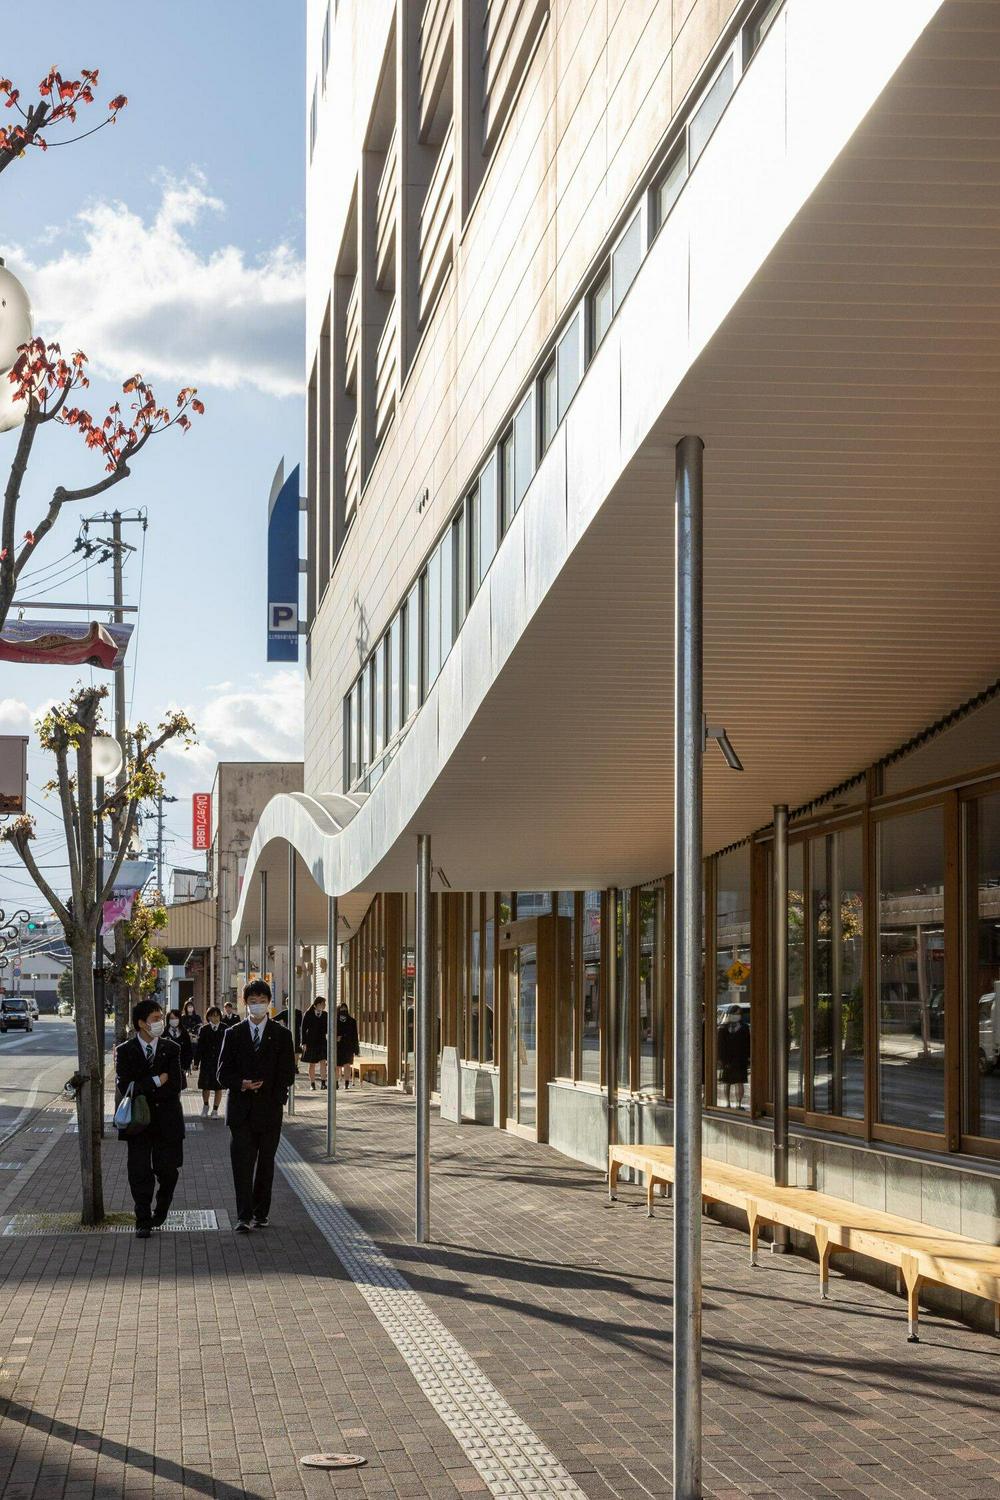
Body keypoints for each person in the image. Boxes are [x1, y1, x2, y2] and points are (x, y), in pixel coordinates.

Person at [217, 978, 297, 1233]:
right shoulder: (233, 1034)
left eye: (262, 1002)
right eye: (253, 1002)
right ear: (245, 1004)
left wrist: (277, 1096)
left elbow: (288, 1073)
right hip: (241, 1111)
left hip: (270, 1111)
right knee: (242, 1164)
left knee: (265, 1164)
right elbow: (222, 1073)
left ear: (269, 1004)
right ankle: (243, 1216)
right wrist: (241, 1083)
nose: (258, 1006)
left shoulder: (282, 1035)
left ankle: (261, 1212)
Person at [115, 998, 185, 1238]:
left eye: (161, 1018)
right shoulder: (125, 1051)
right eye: (155, 1019)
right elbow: (126, 1087)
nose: (160, 1023)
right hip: (138, 1122)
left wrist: (145, 1085)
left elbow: (176, 1083)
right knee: (139, 1171)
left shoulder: (171, 1048)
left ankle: (162, 1209)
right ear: (142, 1023)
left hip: (168, 1120)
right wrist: (156, 1080)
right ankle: (142, 1219)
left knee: (168, 1171)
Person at [717, 1003, 751, 1110]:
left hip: (741, 1059)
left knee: (739, 1081)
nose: (738, 1016)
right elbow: (720, 1045)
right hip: (728, 1059)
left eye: (739, 1014)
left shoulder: (744, 1027)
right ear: (730, 1014)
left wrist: (749, 1057)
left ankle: (739, 1104)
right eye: (735, 1013)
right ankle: (727, 1103)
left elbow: (748, 1043)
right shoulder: (723, 1028)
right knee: (727, 1082)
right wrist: (721, 1059)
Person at [196, 1005, 226, 1116]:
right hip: (206, 1062)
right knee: (205, 1086)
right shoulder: (204, 1029)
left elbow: (228, 1047)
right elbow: (199, 1047)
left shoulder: (225, 1028)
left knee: (219, 1087)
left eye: (217, 1016)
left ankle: (215, 1110)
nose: (215, 1018)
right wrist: (196, 1062)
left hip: (220, 1062)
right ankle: (205, 1105)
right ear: (208, 1017)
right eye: (213, 1016)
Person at [300, 996, 328, 1090]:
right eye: (323, 1004)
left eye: (324, 1004)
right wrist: (304, 1043)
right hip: (311, 1041)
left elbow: (328, 1028)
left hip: (322, 1041)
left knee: (323, 1062)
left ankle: (323, 1083)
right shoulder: (308, 1014)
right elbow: (303, 1029)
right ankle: (312, 1084)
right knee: (312, 1063)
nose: (324, 1006)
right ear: (317, 1004)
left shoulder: (325, 1015)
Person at [336, 999, 359, 1089]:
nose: (343, 1012)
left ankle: (346, 1083)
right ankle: (336, 1082)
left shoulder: (352, 1021)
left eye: (345, 1010)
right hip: (338, 1046)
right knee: (337, 1066)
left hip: (348, 1046)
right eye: (341, 1010)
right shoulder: (335, 1021)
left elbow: (355, 1035)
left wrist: (356, 1049)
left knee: (347, 1065)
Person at [166, 1009, 194, 1078]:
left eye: (176, 1018)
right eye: (172, 1018)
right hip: (166, 1070)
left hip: (181, 1068)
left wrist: (186, 1066)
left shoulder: (184, 1033)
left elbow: (189, 1050)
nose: (174, 1020)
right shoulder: (164, 1033)